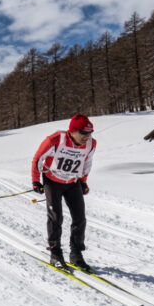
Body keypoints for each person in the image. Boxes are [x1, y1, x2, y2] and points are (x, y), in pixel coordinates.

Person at [31, 114, 97, 272]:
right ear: (72, 131)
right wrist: (35, 181)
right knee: (56, 217)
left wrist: (83, 181)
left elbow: (86, 163)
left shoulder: (91, 144)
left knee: (80, 218)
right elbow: (37, 159)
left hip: (72, 182)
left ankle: (76, 254)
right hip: (52, 181)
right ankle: (55, 253)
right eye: (83, 133)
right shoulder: (54, 140)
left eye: (90, 133)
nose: (87, 137)